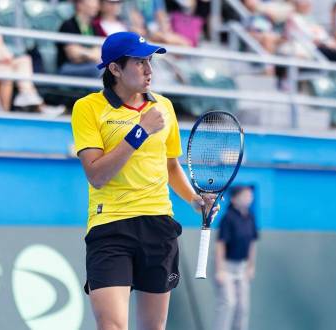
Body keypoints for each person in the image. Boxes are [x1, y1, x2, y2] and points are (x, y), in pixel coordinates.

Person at [71, 31, 216, 330]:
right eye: (139, 62)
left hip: (158, 225)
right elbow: (97, 175)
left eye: (149, 61)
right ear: (115, 69)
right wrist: (139, 132)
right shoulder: (87, 108)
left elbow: (171, 166)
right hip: (110, 227)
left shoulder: (164, 107)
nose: (149, 70)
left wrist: (194, 200)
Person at [213, 185, 259, 330]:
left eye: (250, 195)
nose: (248, 198)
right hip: (226, 267)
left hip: (242, 267)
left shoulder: (250, 217)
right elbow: (220, 245)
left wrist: (251, 267)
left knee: (242, 306)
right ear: (234, 199)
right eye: (245, 195)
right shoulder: (228, 218)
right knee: (228, 303)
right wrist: (220, 270)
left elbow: (252, 243)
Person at [56, 0, 101, 78]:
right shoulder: (68, 25)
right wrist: (91, 54)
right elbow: (73, 56)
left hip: (88, 66)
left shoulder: (93, 27)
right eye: (92, 1)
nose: (96, 5)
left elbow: (98, 54)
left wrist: (83, 52)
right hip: (67, 67)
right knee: (98, 69)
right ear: (79, 4)